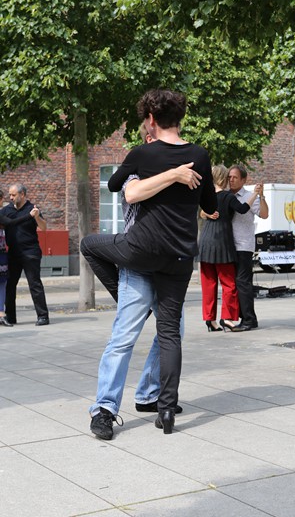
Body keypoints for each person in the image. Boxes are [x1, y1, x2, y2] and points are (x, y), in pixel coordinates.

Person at [81, 89, 217, 434]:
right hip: (177, 258)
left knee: (126, 338)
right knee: (168, 335)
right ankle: (160, 409)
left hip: (142, 255)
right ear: (180, 117)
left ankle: (120, 406)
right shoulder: (199, 156)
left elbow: (116, 185)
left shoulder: (142, 153)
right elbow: (209, 205)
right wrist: (175, 175)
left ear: (151, 120)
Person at [89, 123, 191, 440]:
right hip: (138, 267)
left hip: (169, 266)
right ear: (149, 140)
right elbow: (132, 192)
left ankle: (149, 393)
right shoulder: (136, 170)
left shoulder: (175, 170)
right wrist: (174, 174)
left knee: (173, 334)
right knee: (123, 338)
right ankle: (104, 409)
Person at [198, 165, 261, 332]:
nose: (230, 180)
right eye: (228, 177)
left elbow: (201, 212)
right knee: (229, 284)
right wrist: (255, 194)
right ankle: (227, 318)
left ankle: (210, 320)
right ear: (223, 178)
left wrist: (205, 213)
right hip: (222, 243)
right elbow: (243, 209)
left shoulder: (206, 195)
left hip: (205, 243)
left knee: (208, 284)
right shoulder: (227, 197)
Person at [227, 165, 269, 331]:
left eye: (235, 177)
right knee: (233, 284)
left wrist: (261, 196)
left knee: (243, 282)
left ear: (243, 180)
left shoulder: (249, 196)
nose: (231, 180)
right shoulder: (225, 194)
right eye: (229, 177)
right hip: (227, 245)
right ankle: (241, 317)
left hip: (243, 245)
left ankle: (249, 319)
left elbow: (264, 214)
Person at [2, 184, 50, 326]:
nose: (11, 197)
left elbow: (44, 228)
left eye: (13, 195)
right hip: (13, 253)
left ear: (22, 194)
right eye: (10, 195)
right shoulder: (6, 210)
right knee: (10, 285)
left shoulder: (32, 209)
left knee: (34, 284)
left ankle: (43, 316)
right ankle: (10, 317)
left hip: (31, 252)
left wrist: (37, 217)